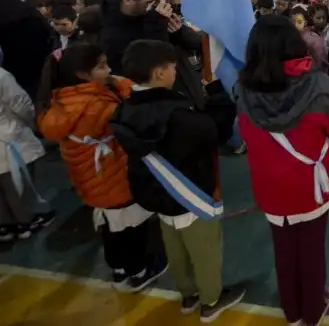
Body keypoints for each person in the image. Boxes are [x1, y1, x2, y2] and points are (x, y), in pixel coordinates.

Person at [235, 16, 329, 326]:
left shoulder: (242, 90)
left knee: (283, 251)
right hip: (311, 186)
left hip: (270, 189)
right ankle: (313, 310)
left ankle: (292, 312)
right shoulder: (321, 88)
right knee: (312, 250)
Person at [111, 40, 244, 322]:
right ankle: (212, 299)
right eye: (172, 67)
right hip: (189, 191)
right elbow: (213, 133)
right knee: (204, 249)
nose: (176, 72)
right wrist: (218, 94)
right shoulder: (177, 114)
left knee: (174, 246)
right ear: (159, 72)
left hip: (156, 191)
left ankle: (188, 294)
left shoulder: (125, 110)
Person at [37, 43, 160, 290]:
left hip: (90, 180)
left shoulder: (60, 103)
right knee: (132, 227)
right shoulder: (99, 104)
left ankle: (118, 270)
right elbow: (138, 105)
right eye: (102, 66)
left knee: (109, 226)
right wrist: (121, 83)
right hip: (117, 175)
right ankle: (138, 272)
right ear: (83, 74)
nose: (109, 70)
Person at [102, 0, 206, 110]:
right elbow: (151, 66)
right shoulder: (110, 31)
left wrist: (178, 32)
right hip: (154, 105)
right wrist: (156, 27)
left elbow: (197, 43)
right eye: (151, 2)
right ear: (128, 0)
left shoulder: (155, 16)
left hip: (186, 88)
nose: (159, 6)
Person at [0, 51, 53, 242]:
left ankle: (4, 225)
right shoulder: (2, 77)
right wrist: (31, 124)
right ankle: (25, 222)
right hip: (9, 138)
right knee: (16, 183)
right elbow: (21, 104)